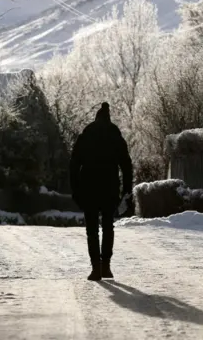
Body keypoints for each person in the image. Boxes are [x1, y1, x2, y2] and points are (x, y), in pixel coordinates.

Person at [69, 102, 133, 281]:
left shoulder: (86, 135)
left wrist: (75, 189)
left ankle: (95, 268)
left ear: (96, 118)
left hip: (88, 187)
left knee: (92, 230)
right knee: (107, 226)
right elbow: (126, 165)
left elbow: (74, 165)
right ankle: (106, 266)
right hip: (110, 187)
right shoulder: (115, 136)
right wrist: (126, 190)